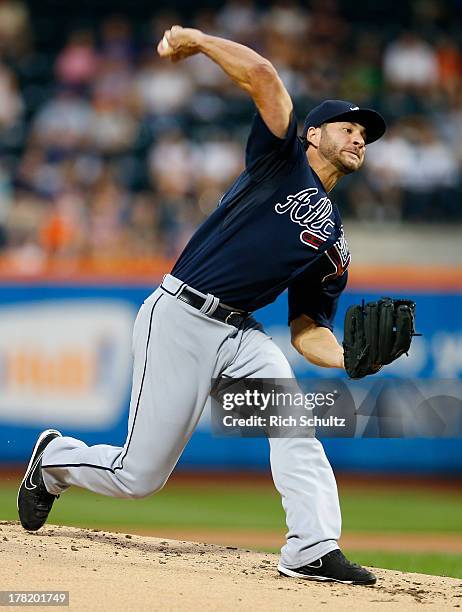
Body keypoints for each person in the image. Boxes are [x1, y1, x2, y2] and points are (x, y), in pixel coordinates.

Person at [18, 25, 386, 585]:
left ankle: (311, 547)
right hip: (182, 316)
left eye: (366, 134)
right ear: (313, 135)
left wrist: (351, 357)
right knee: (139, 476)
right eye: (349, 127)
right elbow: (263, 76)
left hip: (243, 336)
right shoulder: (279, 161)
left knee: (294, 424)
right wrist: (194, 38)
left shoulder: (334, 244)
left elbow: (309, 331)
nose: (360, 138)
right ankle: (55, 462)